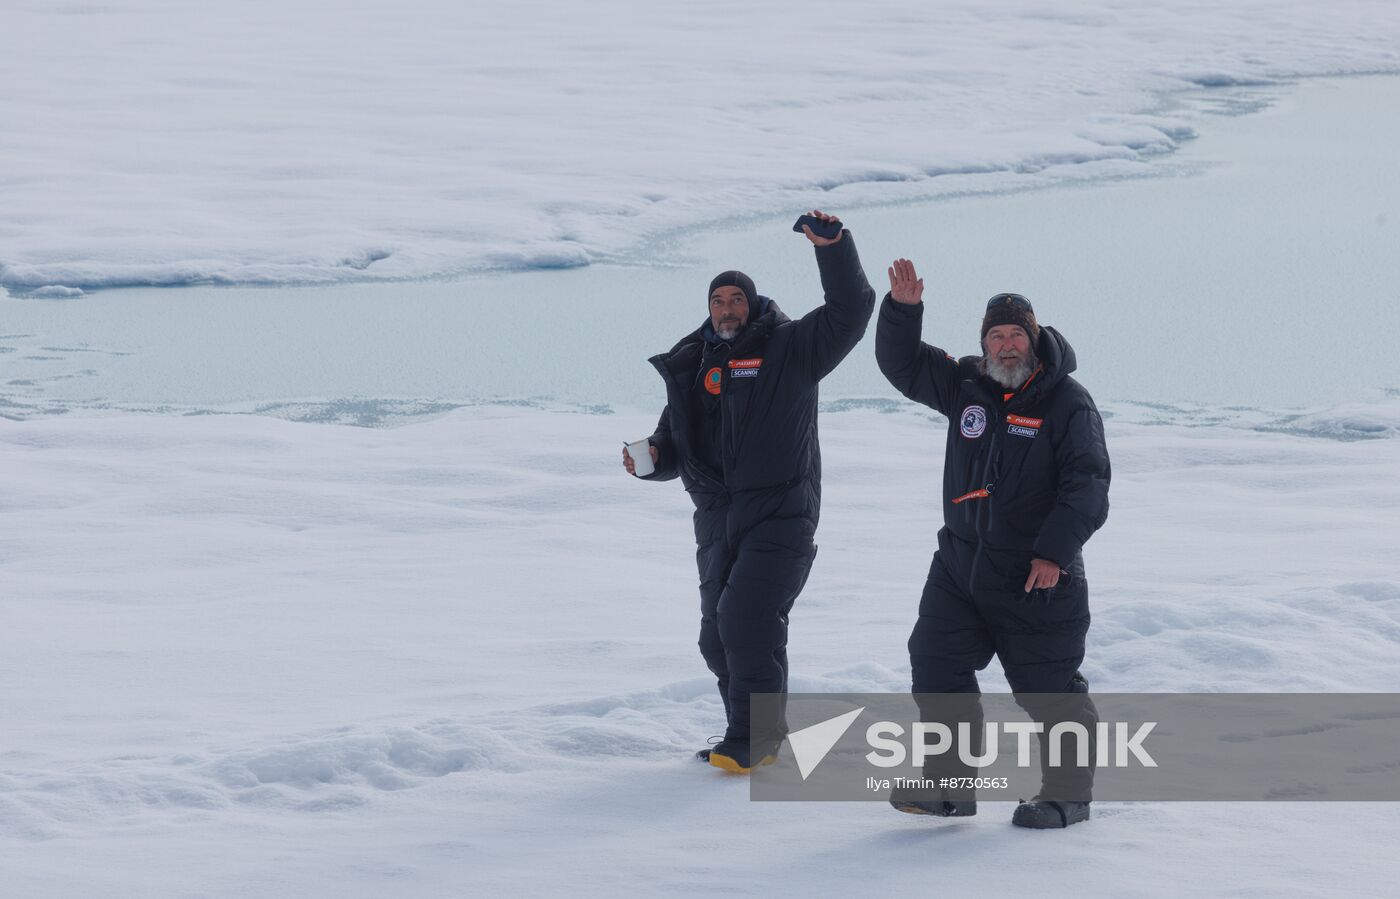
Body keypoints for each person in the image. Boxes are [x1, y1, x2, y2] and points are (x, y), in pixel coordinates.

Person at [623, 211, 876, 773]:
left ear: (753, 304)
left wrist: (833, 248)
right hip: (716, 518)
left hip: (782, 513)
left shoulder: (791, 348)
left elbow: (850, 312)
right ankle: (759, 730)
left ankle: (752, 738)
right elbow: (675, 440)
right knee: (718, 638)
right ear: (708, 309)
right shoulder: (696, 363)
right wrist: (653, 459)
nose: (728, 309)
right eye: (719, 301)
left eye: (737, 299)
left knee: (746, 623)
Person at [875, 259, 1110, 828]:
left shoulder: (1067, 402)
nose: (1006, 346)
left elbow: (1088, 484)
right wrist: (904, 311)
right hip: (960, 565)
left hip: (1034, 575)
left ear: (1035, 339)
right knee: (935, 663)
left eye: (1015, 336)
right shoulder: (967, 386)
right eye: (996, 336)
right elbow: (902, 364)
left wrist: (1054, 553)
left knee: (1048, 688)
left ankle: (1068, 795)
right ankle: (949, 786)